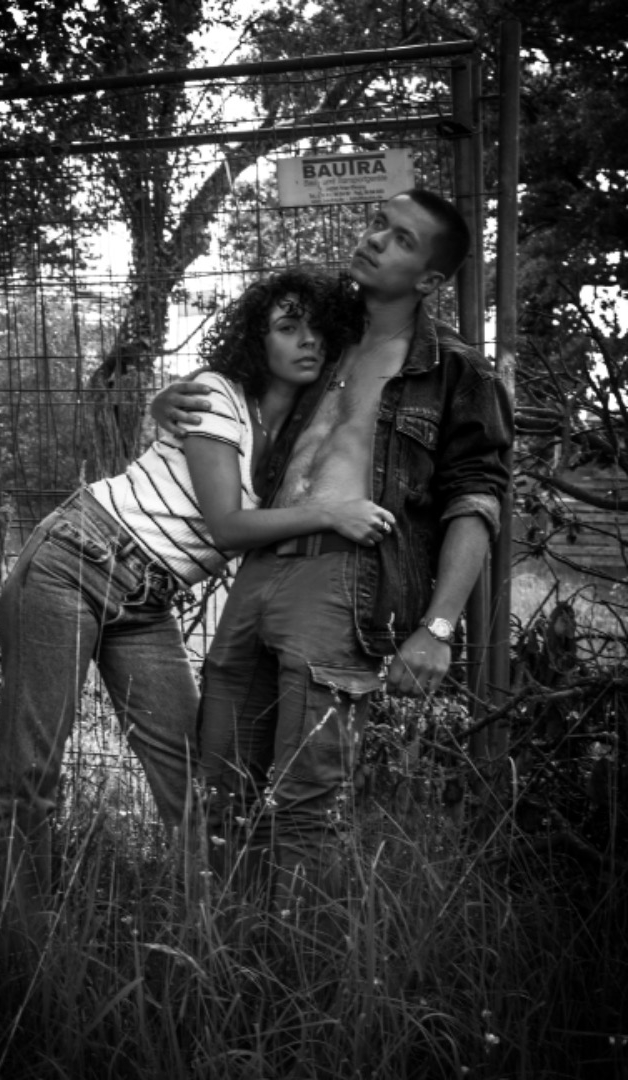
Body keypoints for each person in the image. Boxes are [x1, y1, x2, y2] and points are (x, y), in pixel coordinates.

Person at [0, 268, 394, 949]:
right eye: (288, 327)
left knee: (195, 781)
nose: (307, 341)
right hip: (73, 562)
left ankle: (219, 942)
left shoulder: (294, 435)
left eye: (318, 330)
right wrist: (331, 514)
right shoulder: (217, 395)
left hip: (145, 600)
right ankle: (12, 944)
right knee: (30, 772)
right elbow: (228, 526)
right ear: (257, 338)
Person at [151, 189, 514, 909]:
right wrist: (168, 401)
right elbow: (232, 404)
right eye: (379, 223)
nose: (376, 239)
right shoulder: (320, 337)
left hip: (344, 582)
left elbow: (476, 501)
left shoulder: (457, 372)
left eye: (401, 239)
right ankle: (222, 951)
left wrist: (438, 627)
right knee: (219, 791)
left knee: (305, 805)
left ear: (430, 279)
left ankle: (301, 967)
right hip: (260, 569)